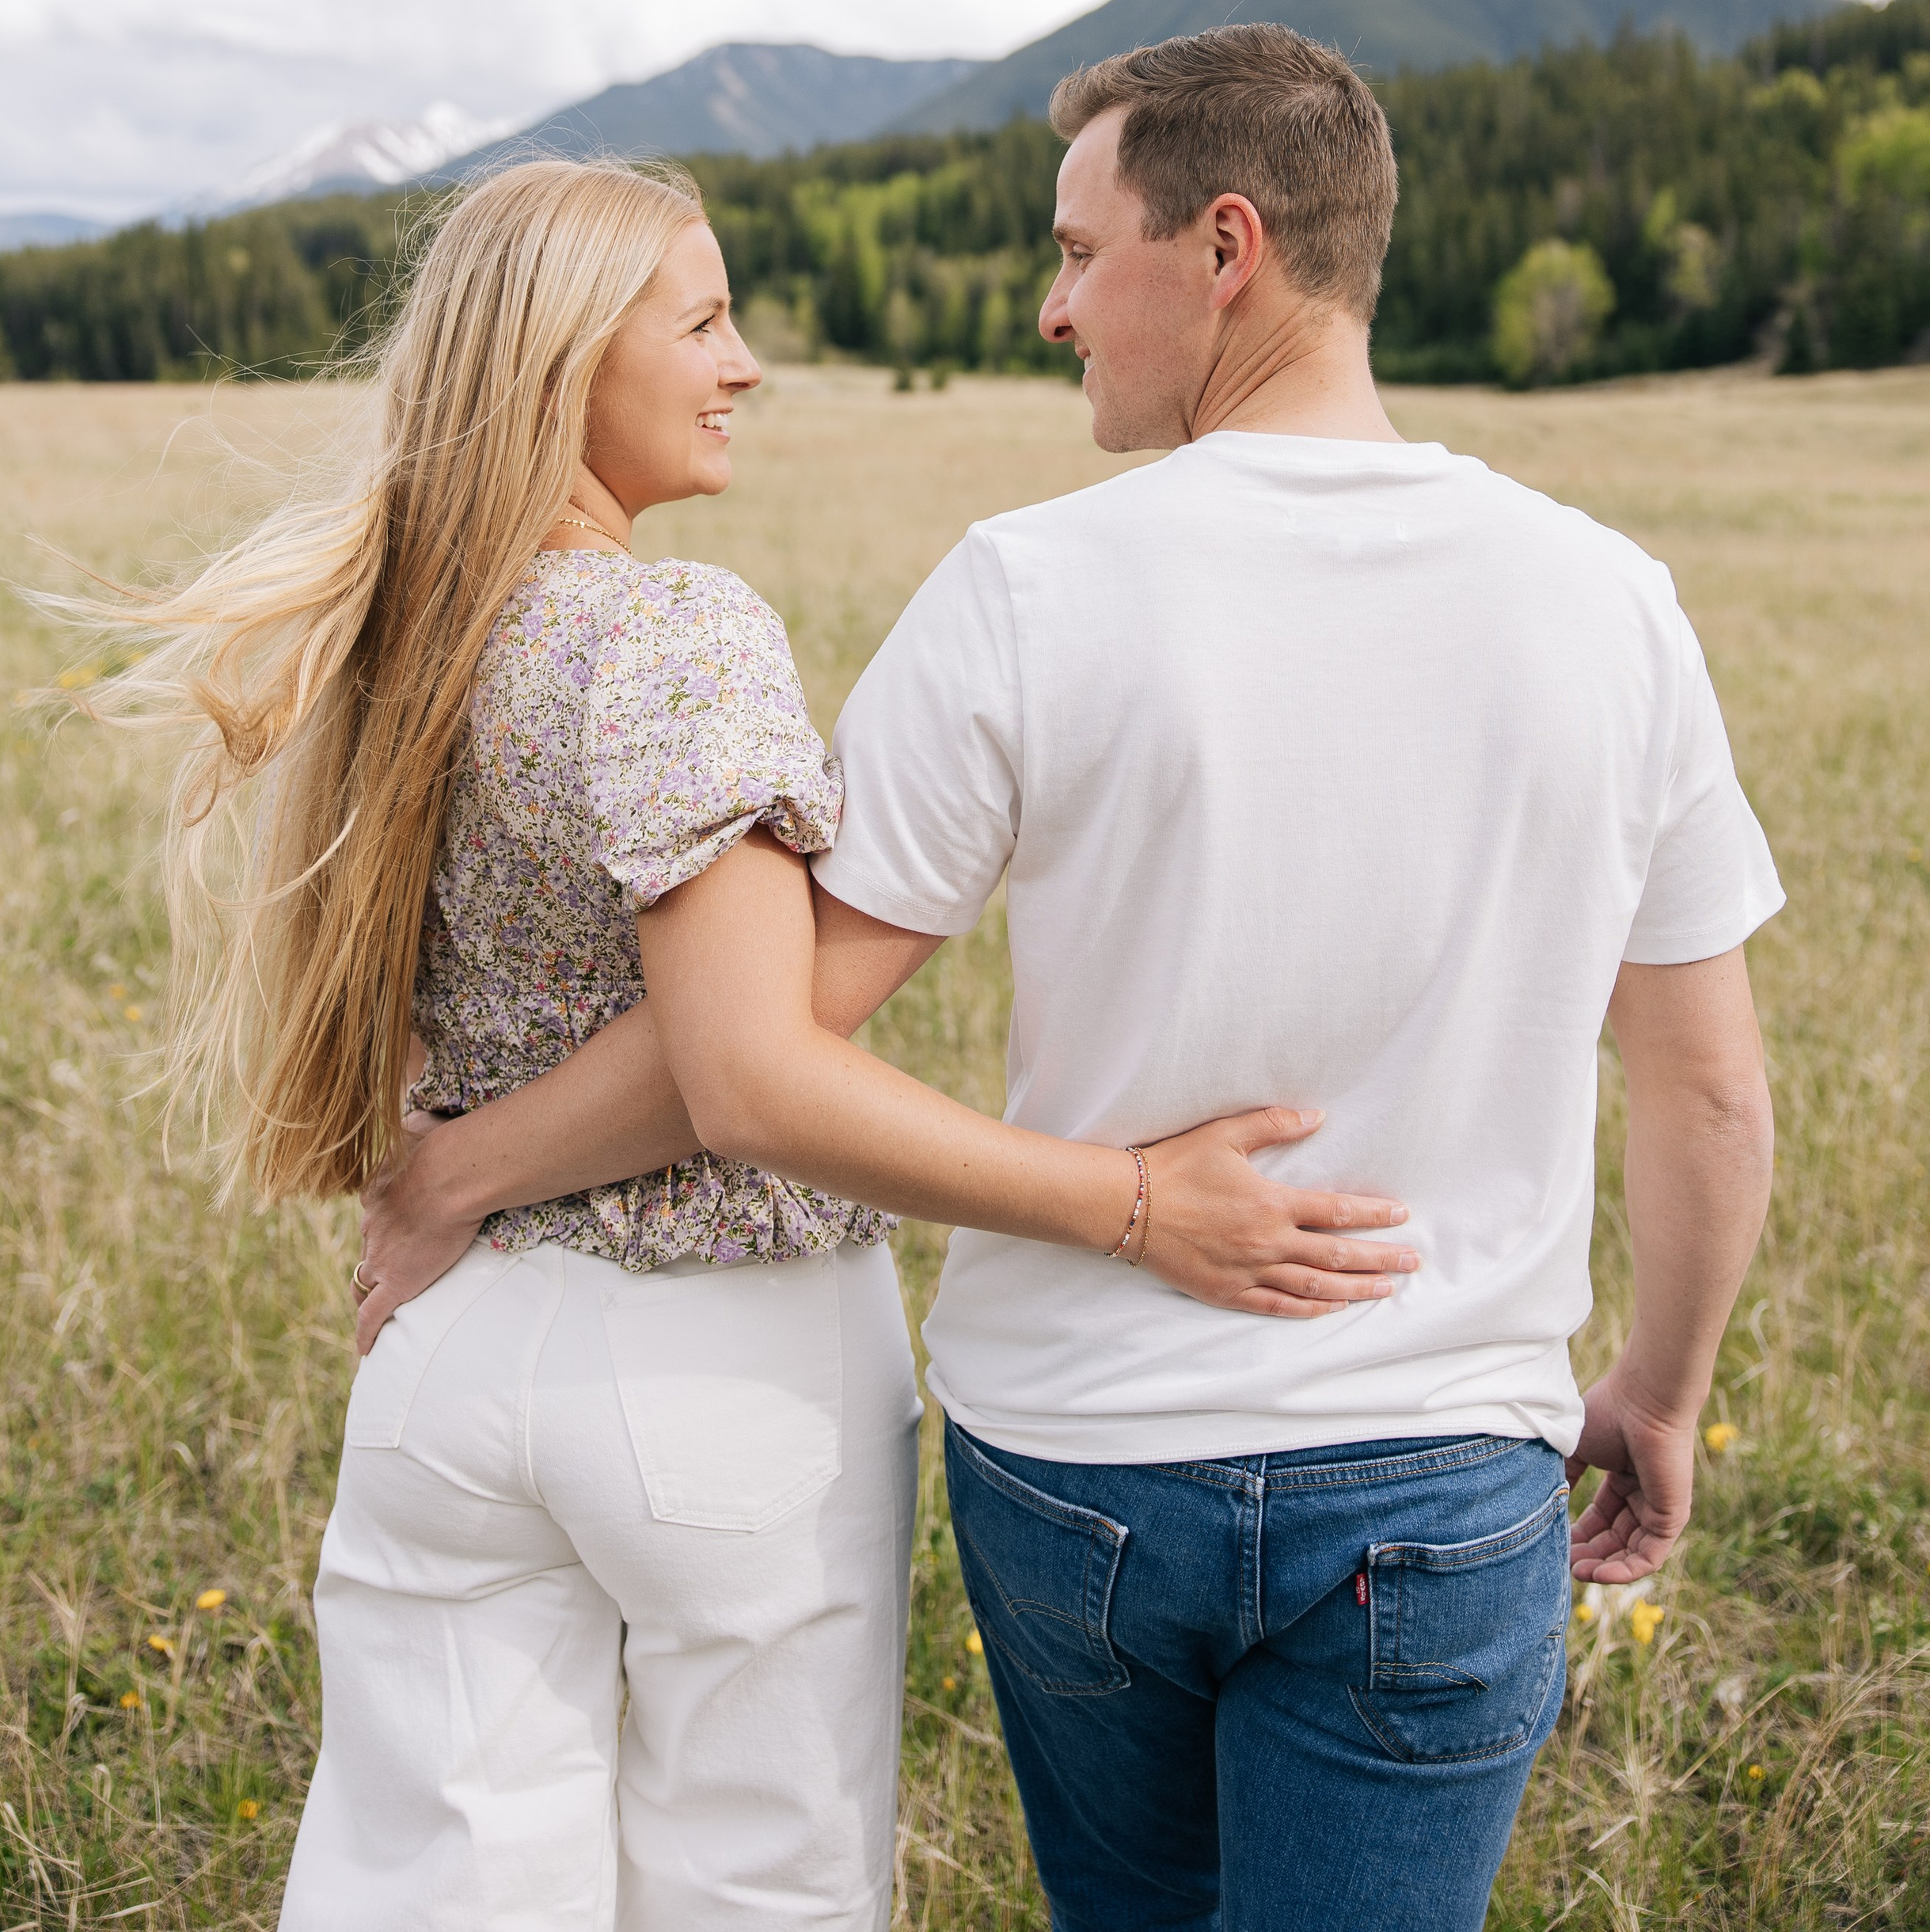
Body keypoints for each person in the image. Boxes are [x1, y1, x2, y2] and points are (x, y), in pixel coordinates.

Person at [84, 152, 1415, 1932]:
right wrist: (1128, 1201)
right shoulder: (668, 627)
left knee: (429, 1887)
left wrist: (448, 1180)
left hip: (449, 1350)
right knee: (755, 1887)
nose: (745, 362)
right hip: (715, 1374)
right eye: (703, 320)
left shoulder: (405, 642)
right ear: (566, 360)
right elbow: (750, 1082)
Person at [800, 24, 1780, 1932]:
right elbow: (1707, 1088)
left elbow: (787, 1033)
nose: (1048, 307)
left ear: (1223, 242)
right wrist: (1656, 1391)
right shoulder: (1607, 602)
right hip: (1436, 1479)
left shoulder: (1022, 584)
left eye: (1082, 252)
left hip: (1082, 1462)